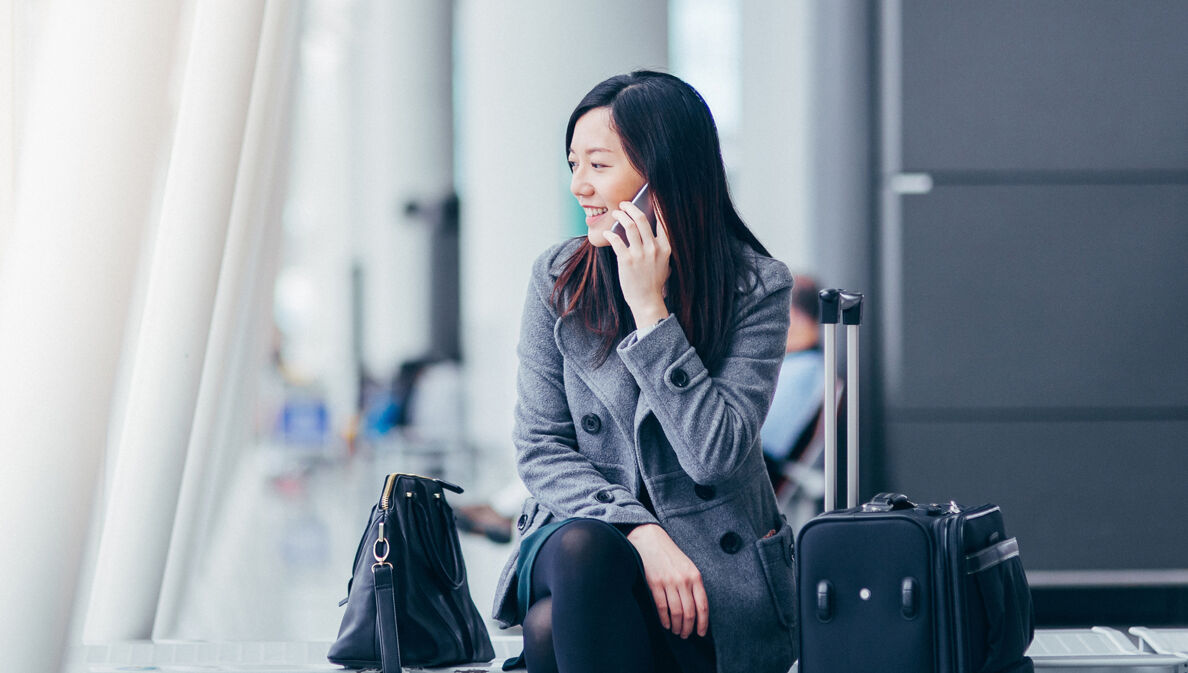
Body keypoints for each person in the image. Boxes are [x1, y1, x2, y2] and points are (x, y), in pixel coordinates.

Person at [491, 71, 796, 673]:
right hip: (581, 536)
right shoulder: (558, 278)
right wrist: (640, 532)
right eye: (573, 163)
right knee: (585, 551)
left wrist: (651, 313)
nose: (579, 186)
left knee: (551, 633)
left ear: (664, 177)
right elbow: (541, 447)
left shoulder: (755, 287)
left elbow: (716, 454)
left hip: (711, 572)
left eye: (599, 166)